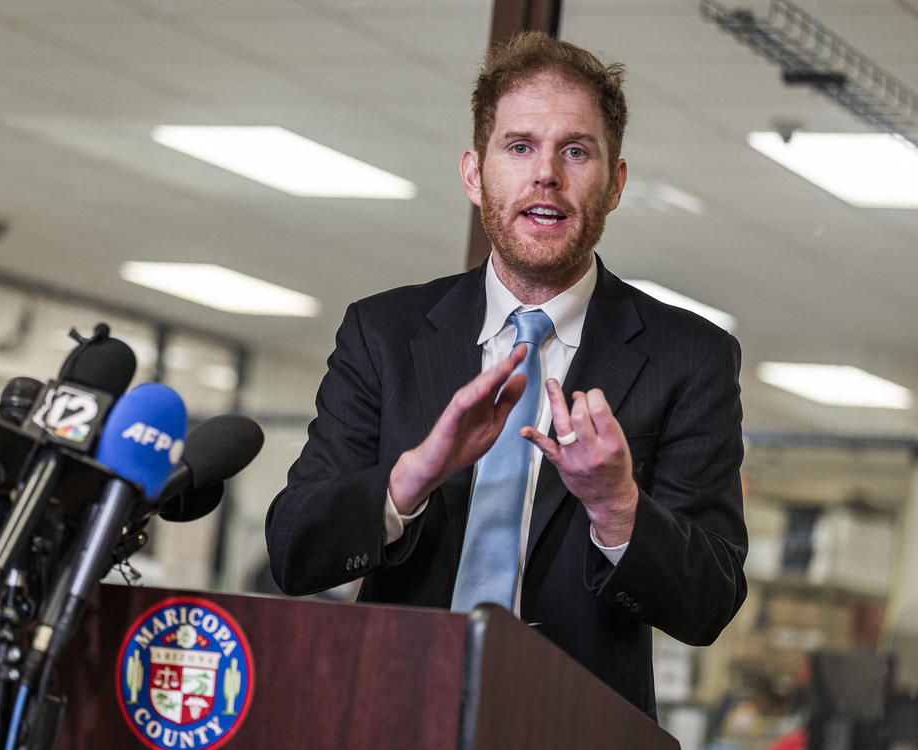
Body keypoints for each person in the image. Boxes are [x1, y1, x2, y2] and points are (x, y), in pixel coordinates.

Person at [265, 31, 747, 720]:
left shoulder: (689, 357)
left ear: (613, 185)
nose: (545, 174)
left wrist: (616, 507)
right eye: (519, 147)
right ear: (474, 174)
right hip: (392, 714)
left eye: (575, 151)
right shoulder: (384, 333)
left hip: (578, 729)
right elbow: (294, 550)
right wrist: (412, 477)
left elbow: (709, 605)